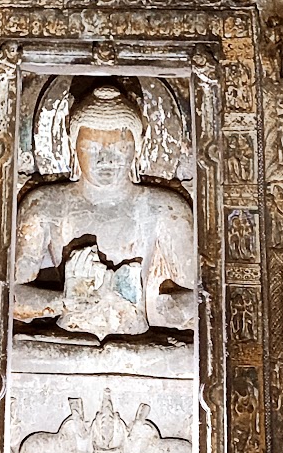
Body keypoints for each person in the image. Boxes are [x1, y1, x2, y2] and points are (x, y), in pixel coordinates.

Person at [12, 84, 194, 339]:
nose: (106, 159)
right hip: (69, 341)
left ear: (137, 148)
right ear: (74, 149)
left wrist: (163, 307)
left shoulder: (165, 208)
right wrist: (65, 301)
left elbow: (201, 298)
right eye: (92, 148)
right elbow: (10, 297)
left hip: (136, 339)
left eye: (119, 148)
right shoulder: (44, 204)